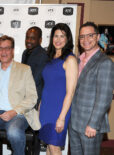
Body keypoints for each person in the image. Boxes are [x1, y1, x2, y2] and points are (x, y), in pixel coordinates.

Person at [0, 35, 41, 155]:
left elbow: (32, 97)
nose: (3, 52)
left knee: (14, 132)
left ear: (12, 50)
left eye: (7, 48)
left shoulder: (25, 69)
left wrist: (14, 111)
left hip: (18, 114)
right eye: (0, 48)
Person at [69, 22, 113, 155]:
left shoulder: (105, 63)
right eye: (82, 37)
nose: (85, 40)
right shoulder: (76, 60)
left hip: (90, 125)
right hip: (74, 121)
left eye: (90, 35)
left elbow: (104, 98)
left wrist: (93, 124)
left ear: (98, 37)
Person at [38, 23, 78, 155]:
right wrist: (40, 107)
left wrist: (61, 117)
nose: (58, 39)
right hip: (45, 110)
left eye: (62, 36)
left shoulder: (70, 59)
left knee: (54, 148)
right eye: (56, 36)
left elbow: (70, 92)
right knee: (50, 147)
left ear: (68, 39)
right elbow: (48, 86)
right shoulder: (50, 59)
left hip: (59, 111)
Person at [21, 26, 48, 155]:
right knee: (25, 130)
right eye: (27, 37)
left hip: (36, 98)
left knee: (34, 132)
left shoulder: (42, 54)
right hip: (24, 97)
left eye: (33, 38)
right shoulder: (25, 53)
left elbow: (36, 78)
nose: (29, 40)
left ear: (40, 40)